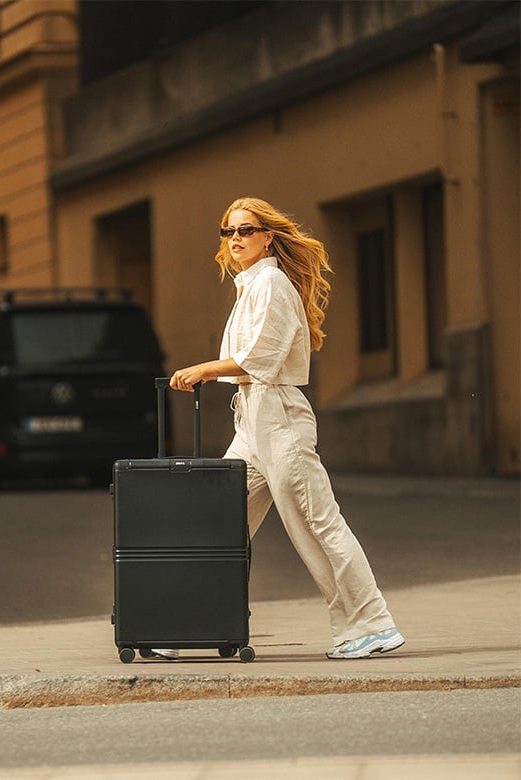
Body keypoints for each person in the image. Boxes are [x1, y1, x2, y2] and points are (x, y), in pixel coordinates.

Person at [152, 196, 404, 661]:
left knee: (316, 523)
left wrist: (204, 369)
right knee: (218, 522)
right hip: (252, 422)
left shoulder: (271, 283)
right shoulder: (251, 285)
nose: (235, 239)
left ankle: (371, 626)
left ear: (268, 237)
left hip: (279, 419)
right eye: (229, 231)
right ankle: (186, 624)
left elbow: (261, 358)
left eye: (246, 230)